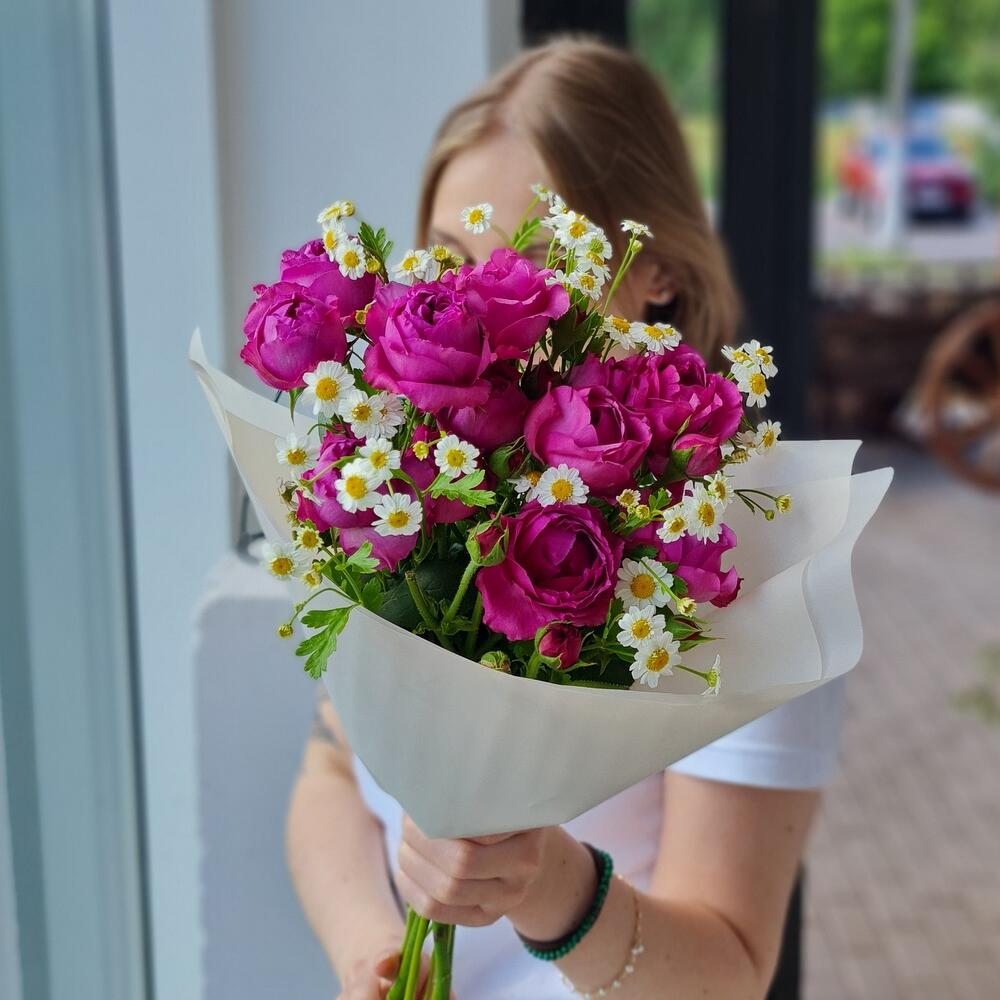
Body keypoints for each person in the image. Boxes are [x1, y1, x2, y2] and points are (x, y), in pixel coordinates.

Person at [286, 38, 845, 1000]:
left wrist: (548, 884)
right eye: (453, 262)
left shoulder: (748, 554)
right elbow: (330, 770)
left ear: (656, 269)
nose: (482, 308)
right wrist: (371, 957)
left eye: (539, 263)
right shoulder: (413, 503)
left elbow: (731, 973)